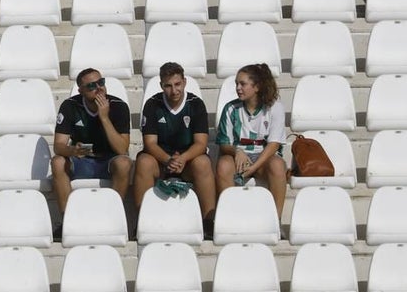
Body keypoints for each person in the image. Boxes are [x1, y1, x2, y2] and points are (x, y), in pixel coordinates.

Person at [133, 62, 216, 237]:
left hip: (188, 161)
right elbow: (150, 143)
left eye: (177, 84)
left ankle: (208, 221)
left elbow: (201, 143)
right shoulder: (152, 104)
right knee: (144, 162)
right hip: (161, 160)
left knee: (202, 163)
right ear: (161, 85)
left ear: (184, 82)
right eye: (168, 86)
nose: (174, 90)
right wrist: (168, 160)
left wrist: (182, 159)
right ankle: (142, 220)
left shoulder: (196, 104)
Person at [51, 68, 132, 227]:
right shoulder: (70, 106)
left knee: (124, 163)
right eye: (92, 86)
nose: (99, 88)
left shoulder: (119, 106)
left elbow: (122, 149)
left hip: (109, 159)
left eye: (101, 82)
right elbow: (58, 146)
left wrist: (104, 117)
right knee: (58, 162)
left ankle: (113, 219)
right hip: (83, 159)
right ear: (81, 90)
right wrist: (73, 150)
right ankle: (67, 222)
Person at [215, 63, 288, 223]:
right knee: (223, 165)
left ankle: (276, 221)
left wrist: (253, 167)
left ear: (257, 86)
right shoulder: (230, 108)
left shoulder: (274, 108)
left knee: (277, 165)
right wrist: (237, 152)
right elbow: (224, 143)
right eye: (236, 84)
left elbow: (273, 144)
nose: (238, 88)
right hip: (239, 157)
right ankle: (228, 219)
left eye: (243, 84)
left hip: (263, 158)